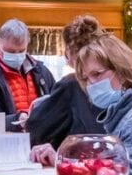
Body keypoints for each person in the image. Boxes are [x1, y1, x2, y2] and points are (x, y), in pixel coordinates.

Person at [31, 33, 132, 175]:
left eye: (97, 74)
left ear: (122, 71)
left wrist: (65, 165)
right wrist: (61, 161)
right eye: (86, 78)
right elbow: (111, 167)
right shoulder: (123, 113)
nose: (91, 84)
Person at [25, 15, 106, 148]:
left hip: (80, 161)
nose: (90, 82)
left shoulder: (70, 85)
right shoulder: (113, 81)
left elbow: (35, 130)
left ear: (69, 51)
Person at [0, 18, 55, 130]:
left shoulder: (41, 71)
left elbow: (58, 105)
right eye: (11, 51)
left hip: (42, 140)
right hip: (9, 143)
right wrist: (17, 120)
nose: (17, 55)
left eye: (21, 51)